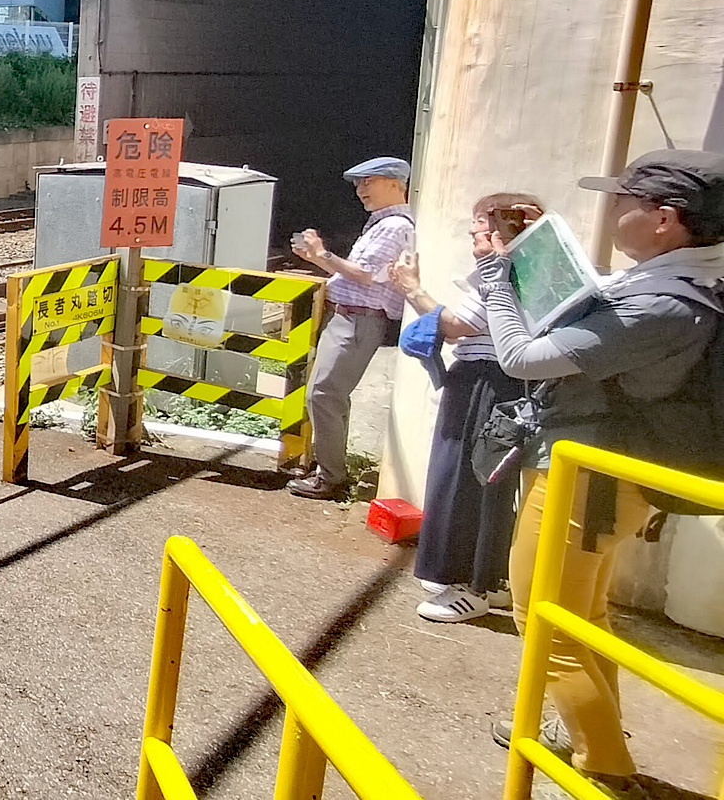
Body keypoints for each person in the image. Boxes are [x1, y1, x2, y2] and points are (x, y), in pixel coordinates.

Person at [476, 150, 724, 794]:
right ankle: (586, 730)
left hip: (588, 476)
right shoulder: (680, 281)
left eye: (622, 201)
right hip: (607, 472)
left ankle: (606, 770)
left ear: (665, 219)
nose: (611, 211)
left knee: (542, 618)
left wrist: (495, 276)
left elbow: (522, 357)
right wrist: (531, 248)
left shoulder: (664, 304)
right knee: (582, 615)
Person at [389, 193, 545, 623]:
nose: (473, 233)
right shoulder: (529, 269)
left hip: (485, 384)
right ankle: (487, 581)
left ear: (502, 229)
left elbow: (459, 327)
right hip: (499, 384)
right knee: (485, 486)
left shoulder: (504, 270)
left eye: (480, 224)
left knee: (462, 482)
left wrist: (412, 288)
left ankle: (468, 586)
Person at [288, 157, 417, 499]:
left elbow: (365, 275)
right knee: (328, 394)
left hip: (358, 319)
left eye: (368, 182)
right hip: (351, 317)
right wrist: (317, 258)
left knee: (323, 394)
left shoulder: (394, 226)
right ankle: (329, 470)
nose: (361, 190)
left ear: (395, 183)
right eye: (358, 184)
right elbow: (357, 274)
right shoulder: (383, 223)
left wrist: (323, 255)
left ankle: (330, 477)